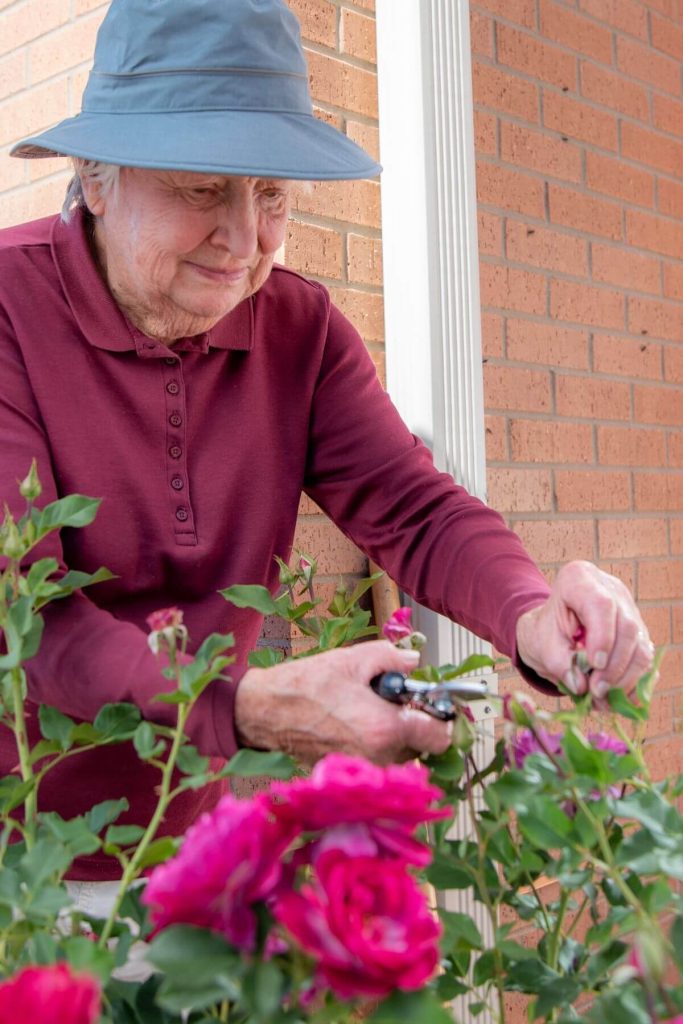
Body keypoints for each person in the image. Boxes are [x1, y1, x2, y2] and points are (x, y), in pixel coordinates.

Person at [0, 0, 654, 884]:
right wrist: (244, 706)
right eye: (201, 187)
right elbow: (23, 618)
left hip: (195, 847)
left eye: (270, 192)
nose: (243, 238)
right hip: (22, 855)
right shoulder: (8, 303)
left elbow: (413, 509)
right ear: (97, 172)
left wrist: (531, 614)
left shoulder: (300, 327)